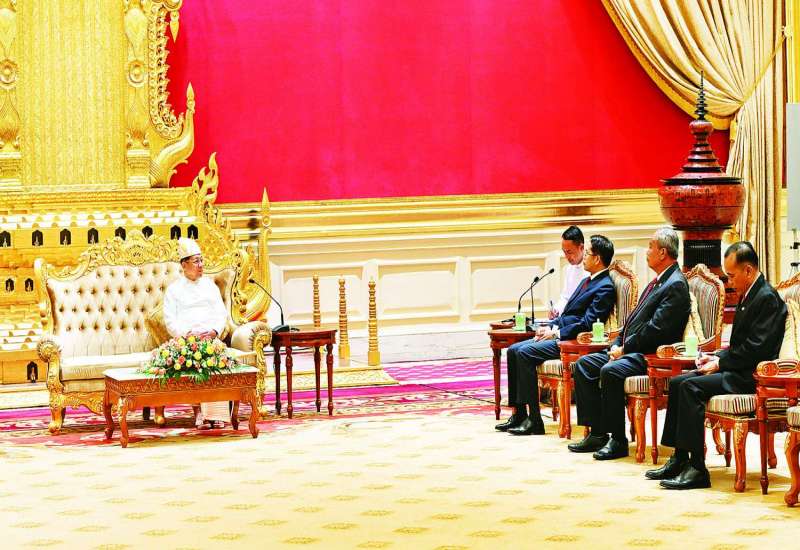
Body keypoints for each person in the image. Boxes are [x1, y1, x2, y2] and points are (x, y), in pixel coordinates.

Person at [646, 242, 786, 489]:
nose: (729, 282)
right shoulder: (750, 293)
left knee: (691, 388)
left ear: (748, 270)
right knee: (678, 382)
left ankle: (698, 469)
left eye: (731, 275)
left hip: (750, 377)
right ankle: (679, 458)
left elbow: (756, 350)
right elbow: (739, 346)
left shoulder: (766, 298)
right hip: (738, 369)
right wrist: (714, 357)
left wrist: (720, 363)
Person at [568, 227, 690, 459]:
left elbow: (657, 330)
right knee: (585, 364)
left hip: (651, 355)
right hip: (631, 348)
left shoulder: (675, 284)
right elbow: (633, 320)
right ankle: (597, 433)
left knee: (610, 371)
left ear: (663, 252)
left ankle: (618, 439)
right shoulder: (659, 281)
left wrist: (625, 348)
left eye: (650, 247)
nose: (647, 252)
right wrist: (616, 343)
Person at [496, 235, 616, 435]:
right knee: (514, 350)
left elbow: (587, 323)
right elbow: (569, 314)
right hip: (562, 334)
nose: (584, 257)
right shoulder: (587, 281)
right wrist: (549, 326)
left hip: (574, 341)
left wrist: (557, 333)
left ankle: (535, 420)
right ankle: (519, 414)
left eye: (587, 253)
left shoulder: (604, 286)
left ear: (597, 259)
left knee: (524, 353)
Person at [163, 238, 231, 429]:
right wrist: (187, 335)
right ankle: (200, 412)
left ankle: (216, 415)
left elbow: (221, 314)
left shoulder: (209, 286)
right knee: (192, 359)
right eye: (196, 261)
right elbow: (170, 321)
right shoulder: (174, 290)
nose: (201, 265)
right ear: (184, 265)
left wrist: (214, 331)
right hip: (187, 340)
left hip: (210, 337)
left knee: (215, 358)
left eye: (202, 261)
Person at [549, 226, 588, 319]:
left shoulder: (591, 269)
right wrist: (556, 310)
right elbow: (565, 297)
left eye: (569, 252)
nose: (566, 257)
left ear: (581, 247)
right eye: (564, 252)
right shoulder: (569, 268)